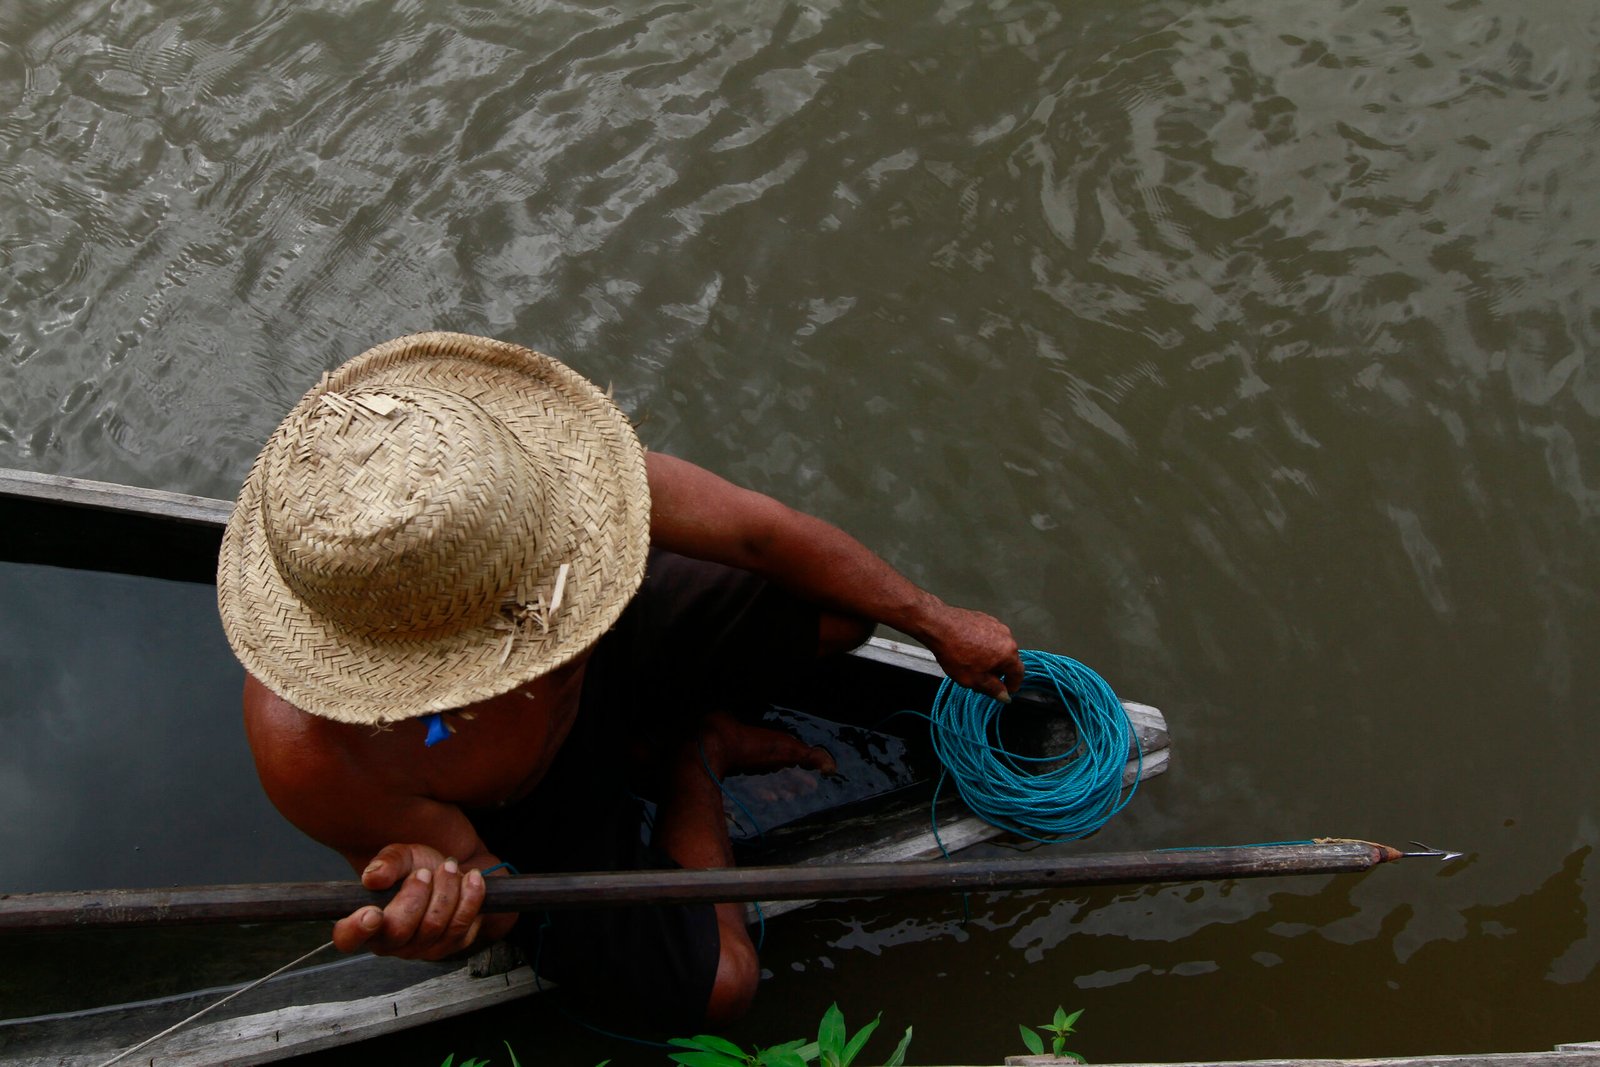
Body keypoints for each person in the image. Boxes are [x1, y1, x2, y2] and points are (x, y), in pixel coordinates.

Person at [217, 332, 1021, 1026]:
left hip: (615, 647)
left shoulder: (542, 478)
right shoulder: (320, 751)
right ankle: (692, 756)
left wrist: (935, 618)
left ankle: (648, 731)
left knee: (841, 611)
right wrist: (452, 915)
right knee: (724, 984)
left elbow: (762, 533)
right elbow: (487, 878)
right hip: (535, 801)